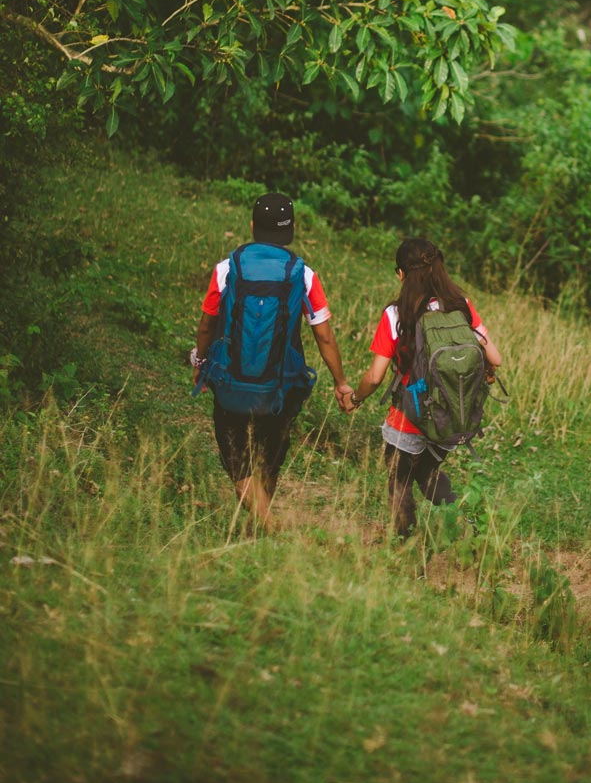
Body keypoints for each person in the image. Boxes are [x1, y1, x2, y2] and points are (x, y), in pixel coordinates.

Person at [191, 192, 355, 529]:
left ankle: (265, 526)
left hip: (231, 382)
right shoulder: (303, 274)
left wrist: (201, 361)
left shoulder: (227, 268)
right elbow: (323, 335)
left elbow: (208, 322)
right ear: (291, 230)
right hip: (280, 387)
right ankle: (267, 525)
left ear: (252, 226)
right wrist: (340, 382)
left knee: (237, 460)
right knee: (269, 456)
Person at [347, 236, 502, 538]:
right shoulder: (461, 306)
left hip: (410, 416)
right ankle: (465, 529)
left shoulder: (396, 315)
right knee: (427, 473)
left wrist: (355, 398)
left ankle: (406, 546)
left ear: (402, 274)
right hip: (451, 415)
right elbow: (495, 357)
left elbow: (375, 376)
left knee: (398, 479)